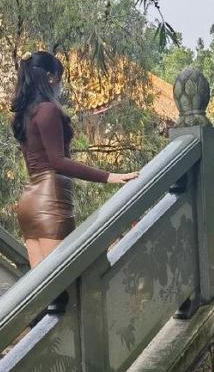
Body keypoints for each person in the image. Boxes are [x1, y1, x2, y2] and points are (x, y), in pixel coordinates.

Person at [11, 50, 139, 267]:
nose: (61, 85)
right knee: (62, 278)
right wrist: (109, 176)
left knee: (43, 283)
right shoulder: (47, 110)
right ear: (50, 77)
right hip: (50, 199)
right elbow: (58, 162)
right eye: (60, 78)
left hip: (28, 202)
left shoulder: (23, 115)